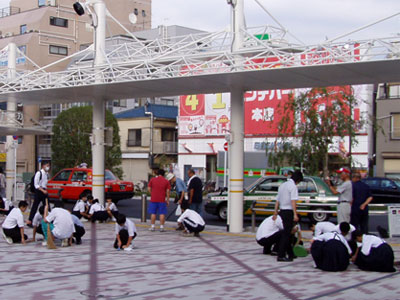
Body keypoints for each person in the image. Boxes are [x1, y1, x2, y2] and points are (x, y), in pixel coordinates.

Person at [273, 170, 303, 262]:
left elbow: (277, 200)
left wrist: (275, 212)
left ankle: (290, 254)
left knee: (287, 233)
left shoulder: (282, 185)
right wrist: (295, 214)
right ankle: (281, 255)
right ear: (298, 180)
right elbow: (293, 201)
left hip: (282, 211)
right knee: (286, 234)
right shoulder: (293, 186)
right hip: (289, 211)